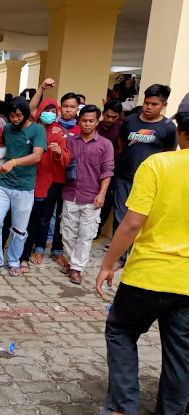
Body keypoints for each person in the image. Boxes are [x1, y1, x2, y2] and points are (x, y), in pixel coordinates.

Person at [95, 93, 189, 415]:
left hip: (148, 275)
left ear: (178, 129)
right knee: (181, 356)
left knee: (120, 330)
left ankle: (125, 406)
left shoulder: (158, 166)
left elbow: (132, 221)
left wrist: (108, 264)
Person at [0, 97, 46, 277]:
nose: (15, 119)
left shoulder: (37, 130)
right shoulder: (8, 128)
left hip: (25, 187)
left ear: (25, 113)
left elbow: (37, 156)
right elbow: (0, 141)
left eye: (19, 115)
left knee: (19, 228)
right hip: (4, 184)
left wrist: (14, 162)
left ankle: (14, 260)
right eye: (12, 116)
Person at [113, 84, 177, 268]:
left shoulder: (168, 128)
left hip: (150, 183)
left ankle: (136, 254)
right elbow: (121, 144)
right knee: (121, 216)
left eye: (154, 104)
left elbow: (169, 155)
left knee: (143, 219)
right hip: (124, 177)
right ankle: (120, 256)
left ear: (163, 105)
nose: (149, 107)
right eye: (147, 103)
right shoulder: (131, 121)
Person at [60, 105, 113, 284]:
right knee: (68, 232)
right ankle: (72, 261)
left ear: (97, 122)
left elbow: (107, 171)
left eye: (91, 121)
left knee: (86, 234)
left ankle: (77, 268)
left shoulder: (105, 144)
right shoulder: (70, 142)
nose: (87, 124)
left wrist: (102, 194)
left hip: (92, 196)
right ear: (78, 121)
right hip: (70, 193)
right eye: (84, 120)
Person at [19, 98, 70, 271]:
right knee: (40, 217)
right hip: (35, 178)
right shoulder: (33, 128)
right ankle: (37, 248)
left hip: (55, 180)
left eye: (53, 111)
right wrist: (41, 88)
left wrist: (59, 152)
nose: (50, 114)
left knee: (52, 217)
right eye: (46, 110)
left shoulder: (59, 131)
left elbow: (66, 159)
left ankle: (53, 249)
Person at [96, 99, 123, 237]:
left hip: (113, 171)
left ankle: (98, 230)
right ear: (103, 114)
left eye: (114, 117)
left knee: (107, 201)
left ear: (119, 116)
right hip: (93, 170)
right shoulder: (96, 127)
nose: (110, 120)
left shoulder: (122, 128)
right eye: (107, 116)